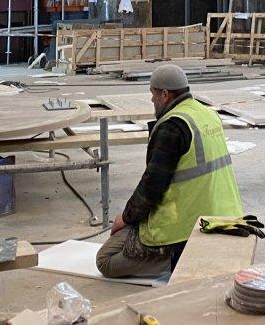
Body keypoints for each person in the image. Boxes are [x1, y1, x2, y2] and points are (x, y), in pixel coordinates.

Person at [96, 64, 244, 279]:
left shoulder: (172, 126)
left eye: (153, 94)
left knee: (106, 261)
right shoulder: (205, 114)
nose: (151, 100)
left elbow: (152, 187)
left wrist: (126, 218)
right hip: (225, 214)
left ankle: (180, 260)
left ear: (165, 94)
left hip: (186, 224)